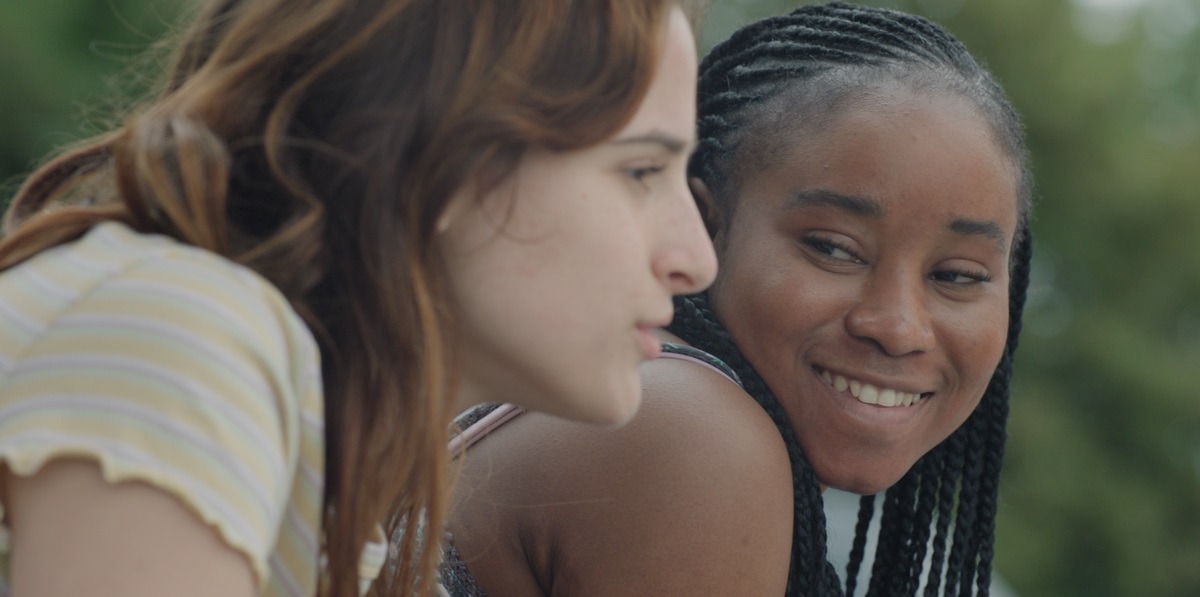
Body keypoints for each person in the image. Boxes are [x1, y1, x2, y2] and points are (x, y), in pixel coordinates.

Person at [0, 0, 716, 595]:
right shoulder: (176, 331)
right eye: (641, 171)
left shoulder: (332, 486)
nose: (696, 259)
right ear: (443, 155)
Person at [445, 2, 1034, 595]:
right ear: (704, 227)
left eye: (957, 275)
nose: (899, 327)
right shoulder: (693, 437)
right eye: (834, 248)